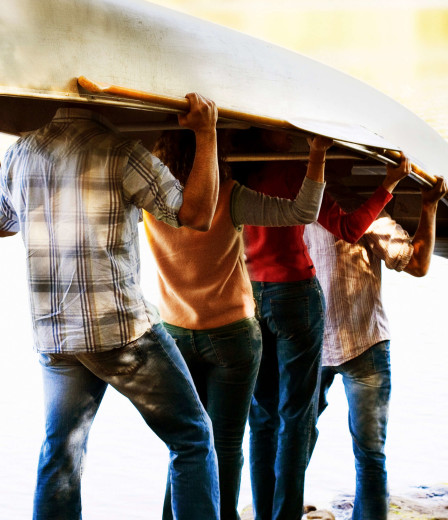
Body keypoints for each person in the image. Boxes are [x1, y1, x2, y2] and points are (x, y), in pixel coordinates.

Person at [0, 94, 222, 520]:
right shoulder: (122, 152)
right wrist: (206, 132)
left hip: (56, 337)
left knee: (61, 452)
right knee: (193, 438)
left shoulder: (21, 153)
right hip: (119, 334)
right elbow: (197, 213)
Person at [146, 129, 331, 520]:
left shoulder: (148, 200)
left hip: (175, 334)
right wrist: (316, 155)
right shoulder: (228, 195)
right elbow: (303, 212)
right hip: (231, 335)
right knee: (226, 443)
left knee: (186, 443)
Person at [237, 130, 412, 520]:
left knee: (262, 417)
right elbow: (349, 229)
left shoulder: (237, 172)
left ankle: (263, 514)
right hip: (294, 295)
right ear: (272, 136)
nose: (289, 134)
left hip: (251, 296)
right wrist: (387, 185)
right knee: (296, 418)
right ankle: (285, 516)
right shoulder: (296, 173)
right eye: (284, 130)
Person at [303, 172, 448, 520]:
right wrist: (429, 206)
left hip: (309, 345)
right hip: (364, 341)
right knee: (370, 454)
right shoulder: (363, 210)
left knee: (292, 440)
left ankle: (280, 508)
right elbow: (418, 263)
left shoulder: (293, 207)